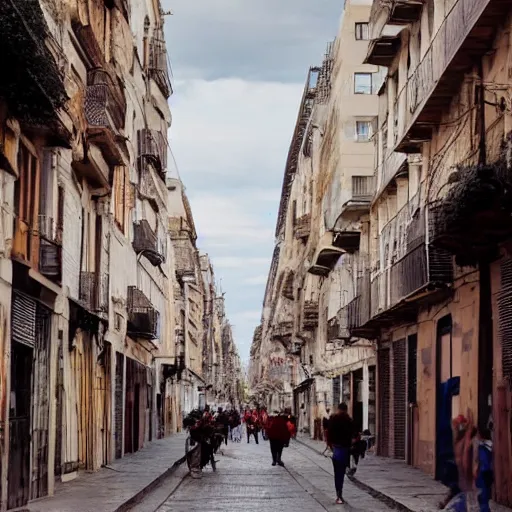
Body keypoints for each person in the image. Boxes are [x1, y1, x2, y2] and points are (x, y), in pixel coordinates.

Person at [327, 403, 354, 505]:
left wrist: (330, 446)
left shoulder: (333, 419)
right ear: (346, 410)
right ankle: (340, 494)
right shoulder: (349, 420)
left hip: (336, 449)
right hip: (345, 450)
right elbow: (352, 435)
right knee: (341, 473)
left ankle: (338, 494)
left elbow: (329, 434)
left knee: (337, 473)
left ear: (338, 409)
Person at [474, 427, 493, 512]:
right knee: (482, 495)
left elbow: (484, 462)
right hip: (483, 473)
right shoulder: (483, 446)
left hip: (484, 472)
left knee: (483, 495)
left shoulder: (484, 447)